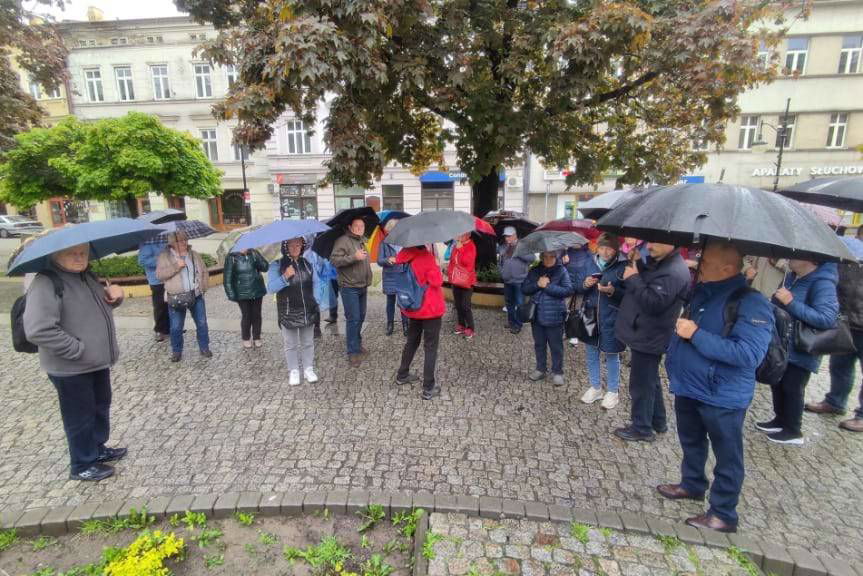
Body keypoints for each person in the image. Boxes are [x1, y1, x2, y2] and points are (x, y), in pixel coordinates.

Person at [659, 240, 774, 533]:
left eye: (705, 261)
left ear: (728, 268)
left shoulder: (751, 302)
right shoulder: (701, 292)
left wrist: (695, 334)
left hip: (722, 394)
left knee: (727, 455)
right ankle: (692, 483)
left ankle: (723, 513)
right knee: (692, 441)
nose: (698, 264)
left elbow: (748, 354)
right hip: (689, 386)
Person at [23, 243, 127, 482]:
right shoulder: (47, 282)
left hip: (96, 362)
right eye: (72, 253)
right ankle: (82, 464)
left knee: (99, 407)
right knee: (79, 416)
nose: (80, 257)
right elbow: (38, 330)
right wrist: (77, 349)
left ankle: (97, 449)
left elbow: (98, 308)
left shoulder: (86, 276)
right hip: (71, 367)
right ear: (56, 254)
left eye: (83, 252)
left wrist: (115, 298)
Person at [614, 242, 690, 442]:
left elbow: (653, 302)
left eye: (657, 241)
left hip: (649, 334)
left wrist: (633, 278)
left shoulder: (674, 271)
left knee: (641, 384)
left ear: (672, 243)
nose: (651, 245)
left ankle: (642, 428)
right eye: (650, 241)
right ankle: (658, 420)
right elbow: (646, 276)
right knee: (651, 379)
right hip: (645, 331)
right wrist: (637, 261)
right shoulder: (662, 261)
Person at [758, 259, 839, 444]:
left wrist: (791, 302)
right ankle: (780, 420)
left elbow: (826, 318)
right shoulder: (792, 277)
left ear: (808, 260)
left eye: (794, 257)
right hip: (784, 344)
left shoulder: (822, 282)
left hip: (802, 347)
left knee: (793, 387)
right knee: (778, 382)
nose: (789, 260)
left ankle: (793, 430)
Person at [805, 231, 863, 431]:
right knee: (839, 365)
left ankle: (862, 415)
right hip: (847, 321)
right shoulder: (846, 256)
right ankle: (835, 402)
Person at [575, 233, 627, 410]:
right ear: (596, 247)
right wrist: (585, 283)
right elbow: (577, 285)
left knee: (611, 354)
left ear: (616, 250)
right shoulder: (589, 262)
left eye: (609, 248)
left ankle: (613, 391)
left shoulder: (623, 266)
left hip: (612, 316)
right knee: (591, 353)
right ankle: (595, 387)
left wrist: (613, 291)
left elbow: (630, 294)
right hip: (590, 313)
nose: (605, 252)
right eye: (602, 247)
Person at [395, 244, 446, 400]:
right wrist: (437, 266)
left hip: (413, 307)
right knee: (430, 347)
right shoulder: (426, 258)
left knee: (411, 341)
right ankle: (429, 387)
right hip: (430, 309)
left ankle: (402, 374)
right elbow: (437, 281)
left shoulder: (402, 256)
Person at [268, 238, 320, 385]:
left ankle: (308, 369)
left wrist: (316, 300)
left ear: (303, 246)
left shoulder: (307, 264)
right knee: (290, 344)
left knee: (308, 342)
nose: (296, 247)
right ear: (285, 246)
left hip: (307, 310)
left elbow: (316, 282)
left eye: (299, 244)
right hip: (288, 311)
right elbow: (271, 288)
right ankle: (294, 370)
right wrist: (285, 276)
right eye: (292, 244)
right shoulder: (276, 265)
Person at [156, 231, 211, 362]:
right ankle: (176, 351)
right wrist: (176, 266)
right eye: (181, 241)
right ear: (172, 243)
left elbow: (204, 271)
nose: (185, 242)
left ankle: (204, 347)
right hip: (176, 297)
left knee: (202, 323)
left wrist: (203, 286)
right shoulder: (164, 257)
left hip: (195, 295)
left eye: (185, 239)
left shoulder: (194, 254)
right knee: (176, 326)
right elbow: (159, 275)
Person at [522, 250, 573, 386]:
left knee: (556, 346)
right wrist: (537, 284)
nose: (548, 259)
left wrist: (548, 287)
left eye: (551, 256)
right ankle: (540, 369)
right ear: (542, 256)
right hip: (537, 315)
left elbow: (568, 290)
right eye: (545, 256)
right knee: (539, 344)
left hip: (554, 314)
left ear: (556, 256)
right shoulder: (534, 270)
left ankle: (557, 372)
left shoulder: (561, 271)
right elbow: (525, 289)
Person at [330, 218, 372, 367]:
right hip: (349, 287)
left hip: (362, 286)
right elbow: (334, 261)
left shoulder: (361, 240)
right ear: (350, 227)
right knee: (353, 319)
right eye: (357, 226)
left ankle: (357, 343)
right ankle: (352, 352)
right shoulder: (343, 240)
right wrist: (354, 257)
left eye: (362, 226)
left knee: (360, 317)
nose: (360, 228)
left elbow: (364, 261)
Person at [223, 248, 268, 348]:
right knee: (246, 315)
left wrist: (257, 258)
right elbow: (227, 278)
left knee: (257, 315)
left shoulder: (254, 253)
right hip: (241, 292)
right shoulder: (231, 257)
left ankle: (257, 337)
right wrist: (231, 294)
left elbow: (265, 267)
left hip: (257, 290)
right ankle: (246, 337)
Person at [499, 227, 534, 334]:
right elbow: (500, 261)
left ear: (515, 235)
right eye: (506, 236)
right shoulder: (505, 247)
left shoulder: (523, 245)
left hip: (519, 281)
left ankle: (518, 324)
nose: (507, 238)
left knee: (519, 303)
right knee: (509, 303)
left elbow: (532, 258)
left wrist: (519, 252)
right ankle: (511, 322)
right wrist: (501, 271)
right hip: (507, 280)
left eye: (509, 236)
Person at [378, 218, 409, 336]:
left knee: (403, 301)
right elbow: (379, 261)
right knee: (390, 301)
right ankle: (390, 324)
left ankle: (405, 324)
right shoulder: (384, 243)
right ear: (389, 230)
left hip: (403, 274)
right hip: (390, 276)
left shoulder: (405, 242)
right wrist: (388, 259)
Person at [138, 239, 169, 342]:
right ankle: (159, 330)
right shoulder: (147, 242)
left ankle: (170, 327)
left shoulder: (165, 239)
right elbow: (142, 261)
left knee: (171, 303)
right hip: (156, 280)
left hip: (170, 276)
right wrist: (161, 260)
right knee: (160, 305)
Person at [562, 243, 592, 347]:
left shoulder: (588, 253)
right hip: (567, 284)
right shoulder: (566, 252)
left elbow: (591, 269)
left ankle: (573, 335)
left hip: (581, 286)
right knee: (563, 307)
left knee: (577, 309)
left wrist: (586, 282)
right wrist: (563, 260)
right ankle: (562, 330)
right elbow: (560, 268)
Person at [448, 232, 477, 339]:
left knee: (465, 305)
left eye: (461, 234)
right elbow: (452, 261)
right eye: (458, 234)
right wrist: (450, 275)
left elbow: (467, 263)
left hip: (466, 281)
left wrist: (461, 249)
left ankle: (471, 328)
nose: (458, 236)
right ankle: (461, 325)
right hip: (456, 280)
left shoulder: (471, 246)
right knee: (458, 305)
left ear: (468, 235)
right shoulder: (457, 245)